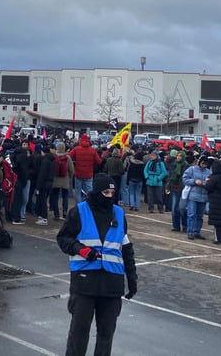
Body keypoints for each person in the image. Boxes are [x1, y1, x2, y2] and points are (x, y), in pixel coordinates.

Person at [57, 173, 137, 356]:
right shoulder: (79, 211)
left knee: (106, 335)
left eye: (112, 192)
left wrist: (132, 278)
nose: (109, 196)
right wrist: (80, 249)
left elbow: (126, 249)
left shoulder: (119, 213)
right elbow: (63, 238)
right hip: (85, 283)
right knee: (79, 334)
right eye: (106, 192)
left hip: (112, 285)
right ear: (97, 192)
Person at [67, 134, 103, 204]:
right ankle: (90, 205)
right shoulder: (92, 150)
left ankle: (79, 206)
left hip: (78, 173)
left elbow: (68, 156)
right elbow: (99, 161)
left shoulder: (76, 149)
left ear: (80, 140)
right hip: (89, 174)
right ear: (88, 140)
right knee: (89, 191)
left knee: (78, 191)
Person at [182, 155, 211, 240]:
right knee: (191, 214)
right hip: (193, 196)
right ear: (199, 162)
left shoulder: (209, 172)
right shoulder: (192, 169)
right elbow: (184, 179)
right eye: (202, 163)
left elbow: (211, 182)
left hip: (203, 196)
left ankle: (197, 231)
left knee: (200, 216)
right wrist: (194, 181)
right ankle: (190, 231)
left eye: (205, 164)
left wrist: (206, 183)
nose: (204, 165)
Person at [33, 143, 55, 225]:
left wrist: (38, 186)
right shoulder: (52, 160)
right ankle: (42, 216)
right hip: (50, 182)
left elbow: (42, 175)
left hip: (44, 184)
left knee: (42, 200)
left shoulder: (45, 161)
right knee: (44, 200)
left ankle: (43, 218)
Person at [167, 150, 188, 233]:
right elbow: (171, 177)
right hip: (174, 189)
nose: (178, 157)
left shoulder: (186, 166)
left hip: (182, 190)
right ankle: (176, 226)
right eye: (177, 156)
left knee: (182, 209)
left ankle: (185, 225)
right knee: (174, 209)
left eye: (180, 156)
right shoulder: (174, 165)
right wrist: (168, 186)